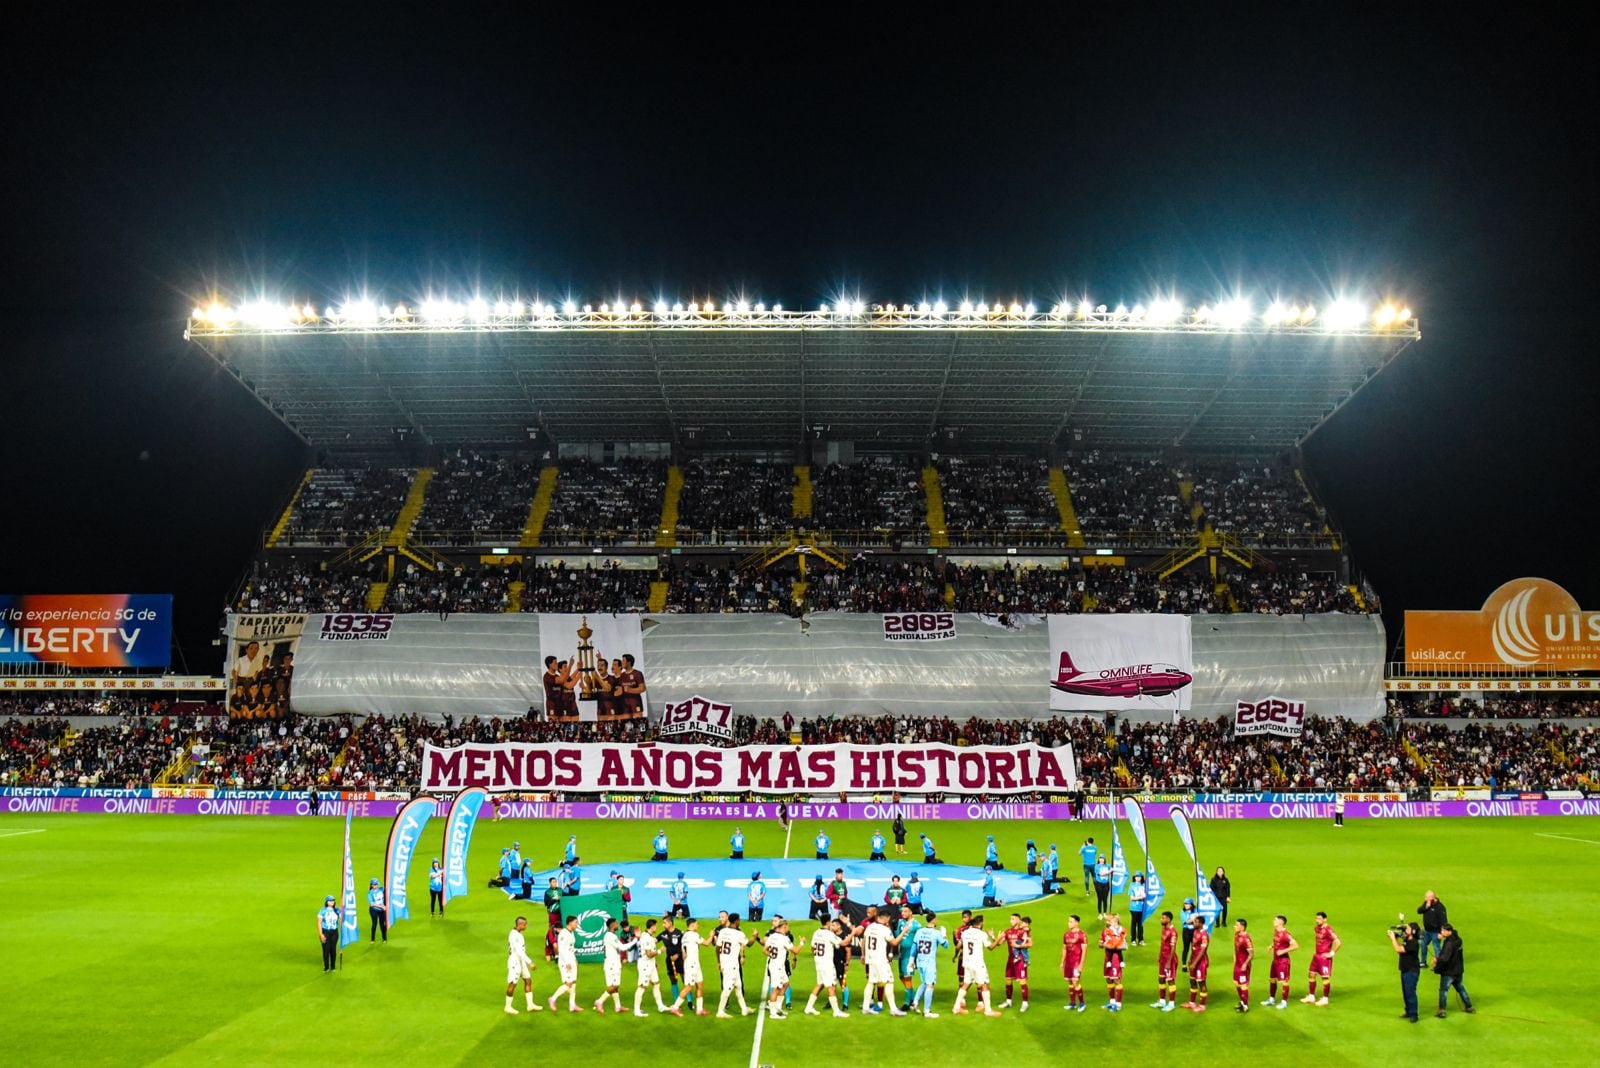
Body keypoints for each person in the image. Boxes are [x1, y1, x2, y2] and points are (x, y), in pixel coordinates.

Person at [953, 914, 1001, 1016]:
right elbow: (990, 947)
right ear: (981, 923)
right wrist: (998, 939)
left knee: (965, 984)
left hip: (967, 963)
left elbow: (958, 946)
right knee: (984, 985)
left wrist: (956, 955)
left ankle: (956, 1007)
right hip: (978, 964)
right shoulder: (982, 934)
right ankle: (988, 1010)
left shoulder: (965, 932)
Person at [804, 917, 850, 1017]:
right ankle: (836, 1011)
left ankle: (808, 1007)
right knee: (832, 986)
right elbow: (844, 943)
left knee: (820, 985)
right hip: (827, 965)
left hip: (818, 963)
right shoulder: (829, 934)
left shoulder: (816, 932)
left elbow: (812, 948)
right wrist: (853, 932)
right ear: (828, 922)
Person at [634, 918, 678, 1016]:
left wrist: (655, 963)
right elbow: (649, 954)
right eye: (656, 926)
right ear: (652, 926)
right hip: (645, 965)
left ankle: (660, 1006)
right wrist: (660, 951)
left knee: (656, 984)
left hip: (651, 964)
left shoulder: (648, 936)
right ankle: (636, 1010)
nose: (657, 927)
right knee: (642, 986)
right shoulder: (646, 938)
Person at [862, 914, 904, 1015]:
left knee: (871, 982)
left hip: (871, 959)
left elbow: (863, 941)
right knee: (889, 981)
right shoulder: (885, 930)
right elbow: (894, 943)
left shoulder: (869, 927)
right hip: (880, 960)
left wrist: (864, 955)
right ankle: (893, 1009)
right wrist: (903, 932)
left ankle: (865, 1007)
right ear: (885, 918)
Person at [593, 917, 636, 1013]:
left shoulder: (612, 935)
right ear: (612, 925)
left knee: (614, 986)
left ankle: (618, 1006)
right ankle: (600, 1001)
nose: (618, 925)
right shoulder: (610, 936)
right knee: (615, 985)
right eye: (616, 923)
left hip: (612, 963)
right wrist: (635, 940)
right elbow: (622, 947)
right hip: (612, 964)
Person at [713, 915, 753, 1017]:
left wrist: (719, 961)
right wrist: (755, 936)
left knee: (738, 986)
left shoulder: (722, 931)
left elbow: (717, 948)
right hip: (731, 964)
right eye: (739, 920)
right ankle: (720, 1011)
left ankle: (744, 1009)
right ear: (736, 921)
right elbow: (749, 944)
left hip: (726, 963)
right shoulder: (738, 934)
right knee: (727, 987)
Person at [910, 913, 949, 1016]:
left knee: (924, 982)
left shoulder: (919, 931)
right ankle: (927, 1011)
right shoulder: (936, 933)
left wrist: (911, 961)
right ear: (934, 920)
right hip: (929, 962)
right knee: (930, 985)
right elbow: (946, 945)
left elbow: (914, 947)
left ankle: (915, 1002)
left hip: (920, 961)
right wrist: (944, 934)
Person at [669, 915, 710, 1016]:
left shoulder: (685, 935)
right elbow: (707, 943)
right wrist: (711, 935)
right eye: (696, 924)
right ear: (692, 925)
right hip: (691, 964)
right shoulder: (693, 935)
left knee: (700, 985)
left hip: (694, 964)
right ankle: (675, 1007)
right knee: (689, 987)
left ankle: (699, 1010)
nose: (698, 925)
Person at [1432, 922, 1474, 1017]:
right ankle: (1469, 1006)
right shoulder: (1458, 939)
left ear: (1448, 931)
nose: (1441, 932)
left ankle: (1442, 1011)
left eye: (1443, 930)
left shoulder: (1449, 944)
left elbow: (1445, 958)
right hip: (1458, 970)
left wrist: (1437, 961)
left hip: (1449, 972)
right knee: (1460, 988)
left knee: (1443, 990)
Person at [504, 916, 544, 1015]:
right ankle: (507, 1007)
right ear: (520, 924)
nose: (526, 926)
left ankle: (530, 1005)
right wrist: (529, 962)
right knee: (512, 983)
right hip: (515, 962)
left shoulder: (518, 934)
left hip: (521, 961)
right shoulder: (514, 935)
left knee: (528, 980)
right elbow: (519, 951)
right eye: (525, 924)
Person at [1301, 911, 1341, 1005]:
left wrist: (1332, 953)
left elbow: (1338, 941)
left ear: (1324, 919)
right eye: (1316, 918)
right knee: (1311, 975)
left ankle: (1325, 999)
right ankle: (1311, 996)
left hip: (1324, 958)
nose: (1317, 920)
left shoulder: (1328, 930)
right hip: (1316, 956)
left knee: (1325, 978)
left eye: (1319, 919)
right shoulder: (1317, 928)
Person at [547, 914, 583, 1013]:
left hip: (571, 959)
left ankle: (572, 1005)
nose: (577, 924)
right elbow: (562, 950)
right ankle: (552, 999)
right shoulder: (563, 933)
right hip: (565, 962)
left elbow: (570, 948)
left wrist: (574, 959)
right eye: (576, 922)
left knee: (574, 983)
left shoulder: (571, 932)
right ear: (570, 923)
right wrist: (567, 962)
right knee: (568, 983)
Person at [763, 917, 798, 1019]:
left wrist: (772, 956)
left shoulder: (772, 936)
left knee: (786, 984)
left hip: (776, 965)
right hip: (777, 967)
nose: (788, 929)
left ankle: (778, 1008)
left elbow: (764, 950)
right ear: (784, 927)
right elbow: (795, 951)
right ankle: (773, 1013)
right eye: (787, 927)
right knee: (776, 989)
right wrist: (802, 943)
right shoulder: (784, 938)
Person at [1389, 920, 1421, 1023]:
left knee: (1410, 992)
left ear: (1413, 931)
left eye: (1408, 928)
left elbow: (1398, 949)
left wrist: (1393, 938)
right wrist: (1396, 935)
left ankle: (1414, 1014)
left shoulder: (1413, 943)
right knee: (1406, 993)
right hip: (1405, 969)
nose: (1406, 929)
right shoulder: (1408, 939)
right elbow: (1401, 940)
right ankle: (1408, 1011)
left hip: (1411, 971)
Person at [999, 913, 1031, 1012]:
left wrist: (1018, 946)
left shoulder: (1023, 931)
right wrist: (993, 937)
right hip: (1010, 959)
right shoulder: (1008, 931)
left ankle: (1025, 1003)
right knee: (1008, 980)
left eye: (1012, 919)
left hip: (1020, 959)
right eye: (1010, 919)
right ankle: (1008, 1001)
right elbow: (1000, 943)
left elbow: (1030, 943)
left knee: (1022, 981)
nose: (1010, 921)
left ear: (1018, 920)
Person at [1264, 915, 1297, 1009]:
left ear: (1281, 922)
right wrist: (1271, 946)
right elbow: (1276, 941)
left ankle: (1284, 1002)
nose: (1273, 921)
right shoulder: (1276, 931)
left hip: (1283, 962)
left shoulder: (1286, 934)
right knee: (1272, 979)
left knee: (1284, 981)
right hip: (1275, 961)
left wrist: (1283, 951)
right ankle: (1271, 999)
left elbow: (1295, 945)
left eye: (1275, 920)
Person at [894, 905, 923, 1010]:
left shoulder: (916, 925)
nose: (903, 913)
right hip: (901, 953)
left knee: (907, 978)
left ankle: (907, 1003)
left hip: (909, 955)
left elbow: (922, 939)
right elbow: (897, 935)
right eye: (902, 912)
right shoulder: (901, 922)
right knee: (902, 976)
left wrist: (917, 955)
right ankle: (913, 997)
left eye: (905, 911)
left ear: (911, 912)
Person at [1151, 910, 1179, 1012]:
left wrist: (1168, 962)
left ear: (1168, 919)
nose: (1161, 920)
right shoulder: (1164, 929)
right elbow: (1162, 944)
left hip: (1170, 959)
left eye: (1163, 918)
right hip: (1163, 958)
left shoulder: (1173, 932)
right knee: (1161, 979)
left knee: (1170, 980)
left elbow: (1173, 948)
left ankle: (1171, 1003)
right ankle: (1162, 1001)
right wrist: (1159, 955)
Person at [1099, 912, 1127, 1011]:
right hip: (1107, 958)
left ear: (1114, 922)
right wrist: (1103, 944)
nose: (1107, 922)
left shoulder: (1120, 931)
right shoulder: (1105, 931)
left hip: (1116, 959)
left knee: (1116, 980)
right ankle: (1112, 1002)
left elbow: (1123, 945)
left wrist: (1112, 945)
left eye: (1109, 920)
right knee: (1109, 979)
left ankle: (1118, 1004)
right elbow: (1100, 944)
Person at [1061, 913, 1088, 1012]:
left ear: (1077, 923)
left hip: (1076, 962)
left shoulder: (1082, 935)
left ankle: (1082, 1003)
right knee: (1070, 982)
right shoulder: (1066, 934)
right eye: (1068, 921)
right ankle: (1072, 1003)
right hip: (1068, 962)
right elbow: (1064, 948)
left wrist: (1081, 964)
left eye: (1071, 921)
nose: (1069, 923)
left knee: (1075, 981)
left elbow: (1084, 950)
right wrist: (1062, 961)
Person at [1187, 915, 1211, 1013]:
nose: (1194, 923)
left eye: (1196, 922)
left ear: (1201, 923)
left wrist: (1195, 963)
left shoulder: (1204, 935)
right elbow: (1193, 947)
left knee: (1201, 982)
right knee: (1192, 981)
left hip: (1201, 962)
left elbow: (1202, 950)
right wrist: (1190, 959)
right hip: (1194, 960)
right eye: (1194, 922)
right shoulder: (1195, 932)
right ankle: (1192, 1003)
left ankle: (1202, 1005)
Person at [1417, 891, 1447, 967]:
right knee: (1423, 945)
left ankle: (1438, 964)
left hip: (1435, 932)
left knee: (1436, 948)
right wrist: (1426, 907)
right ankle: (1423, 962)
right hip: (1426, 931)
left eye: (1428, 898)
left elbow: (1443, 921)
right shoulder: (1426, 904)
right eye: (1426, 897)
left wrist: (1441, 933)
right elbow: (1419, 911)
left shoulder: (1440, 907)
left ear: (1433, 897)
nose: (1426, 899)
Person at [659, 914, 685, 1004]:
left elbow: (684, 947)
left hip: (680, 960)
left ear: (670, 923)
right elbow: (653, 940)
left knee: (685, 979)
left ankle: (689, 1001)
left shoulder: (680, 933)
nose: (663, 925)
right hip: (669, 961)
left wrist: (678, 955)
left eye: (664, 923)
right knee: (673, 980)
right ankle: (676, 1001)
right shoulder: (663, 934)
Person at [1232, 918, 1254, 1013]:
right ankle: (1242, 1001)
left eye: (1236, 925)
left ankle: (1245, 1006)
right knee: (1236, 983)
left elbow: (1251, 953)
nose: (1235, 926)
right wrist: (1234, 958)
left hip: (1243, 965)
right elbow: (1236, 949)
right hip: (1237, 964)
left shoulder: (1246, 938)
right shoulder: (1236, 935)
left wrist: (1245, 964)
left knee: (1243, 985)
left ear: (1242, 926)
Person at [317, 895, 340, 972]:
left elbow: (342, 918)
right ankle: (326, 967)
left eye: (333, 901)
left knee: (333, 949)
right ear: (326, 902)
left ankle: (333, 966)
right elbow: (319, 922)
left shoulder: (337, 910)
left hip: (334, 932)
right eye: (330, 901)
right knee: (326, 950)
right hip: (325, 932)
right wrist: (321, 934)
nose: (332, 902)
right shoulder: (322, 910)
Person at [1128, 872, 1149, 945]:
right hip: (1134, 908)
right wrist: (1141, 897)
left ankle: (1141, 939)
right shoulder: (1132, 885)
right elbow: (1131, 898)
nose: (1138, 878)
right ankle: (1133, 939)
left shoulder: (1144, 885)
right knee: (1134, 924)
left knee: (1140, 924)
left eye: (1139, 877)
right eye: (1136, 876)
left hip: (1142, 907)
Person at [367, 878, 387, 943]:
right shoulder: (370, 893)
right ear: (371, 885)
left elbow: (388, 889)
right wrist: (382, 906)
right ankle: (372, 939)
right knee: (374, 924)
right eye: (374, 884)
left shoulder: (382, 889)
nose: (376, 886)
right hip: (374, 910)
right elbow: (372, 904)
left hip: (382, 911)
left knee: (382, 924)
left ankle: (384, 938)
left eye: (377, 884)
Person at [1180, 897, 1199, 964]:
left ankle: (1192, 962)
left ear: (1191, 904)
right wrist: (1195, 918)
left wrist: (1198, 916)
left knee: (1194, 948)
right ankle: (1184, 964)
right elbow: (1187, 922)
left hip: (1194, 931)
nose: (1186, 905)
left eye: (1187, 904)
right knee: (1186, 948)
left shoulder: (1196, 910)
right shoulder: (1183, 912)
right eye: (1185, 904)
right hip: (1186, 931)